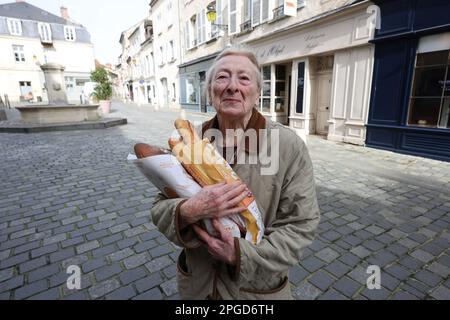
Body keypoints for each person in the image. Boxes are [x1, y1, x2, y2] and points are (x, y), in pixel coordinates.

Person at [150, 45, 320, 300]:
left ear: (256, 92)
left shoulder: (287, 146)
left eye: (243, 78)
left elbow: (301, 224)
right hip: (199, 288)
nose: (232, 86)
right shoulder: (187, 140)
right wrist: (187, 211)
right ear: (210, 92)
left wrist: (239, 255)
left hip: (255, 292)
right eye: (221, 77)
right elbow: (160, 206)